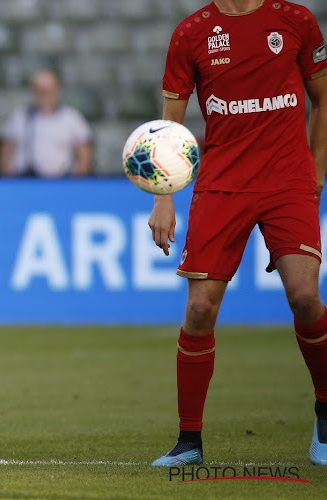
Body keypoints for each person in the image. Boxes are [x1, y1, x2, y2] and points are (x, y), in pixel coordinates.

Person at [149, 0, 327, 466]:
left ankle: (325, 411)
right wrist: (163, 196)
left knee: (304, 296)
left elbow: (322, 98)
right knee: (201, 308)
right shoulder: (192, 34)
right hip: (222, 183)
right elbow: (170, 126)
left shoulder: (296, 21)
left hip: (288, 180)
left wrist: (316, 177)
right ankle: (190, 440)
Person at [0, 69, 93, 178]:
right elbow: (7, 150)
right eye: (39, 90)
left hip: (62, 182)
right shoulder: (20, 116)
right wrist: (7, 181)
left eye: (48, 90)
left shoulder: (72, 118)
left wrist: (77, 182)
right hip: (25, 182)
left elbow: (84, 152)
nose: (44, 94)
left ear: (57, 90)